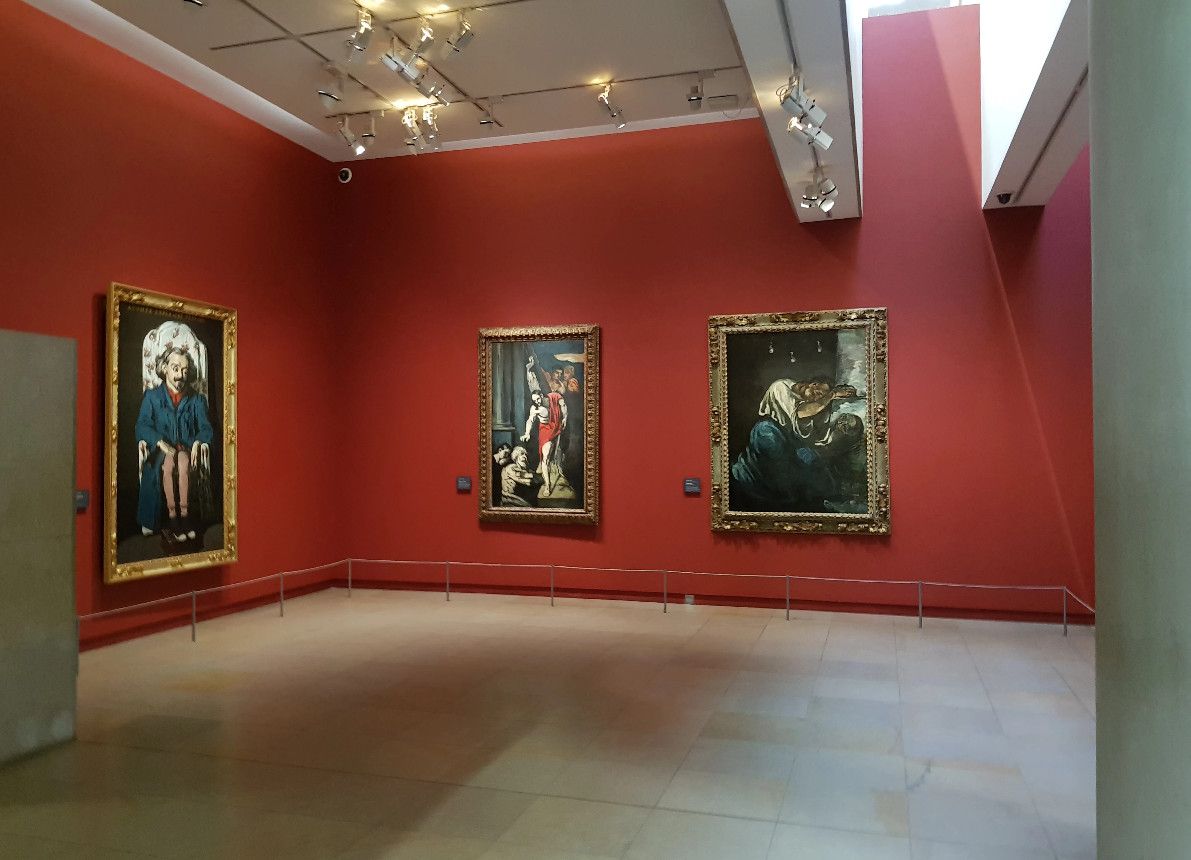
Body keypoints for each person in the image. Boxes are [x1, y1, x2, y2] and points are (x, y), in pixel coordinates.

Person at [730, 379, 862, 511]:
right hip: (765, 440)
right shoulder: (781, 387)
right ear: (814, 384)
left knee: (817, 472)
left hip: (786, 444)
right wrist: (832, 395)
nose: (817, 399)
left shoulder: (805, 407)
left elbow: (815, 436)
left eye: (820, 398)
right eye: (819, 393)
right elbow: (802, 412)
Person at [135, 346, 213, 546]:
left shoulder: (196, 399)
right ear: (165, 368)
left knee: (184, 465)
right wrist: (159, 441)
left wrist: (197, 442)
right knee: (168, 467)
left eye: (185, 370)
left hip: (185, 448)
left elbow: (206, 428)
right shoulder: (152, 397)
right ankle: (172, 518)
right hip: (163, 451)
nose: (180, 375)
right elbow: (141, 426)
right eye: (175, 368)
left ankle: (185, 517)